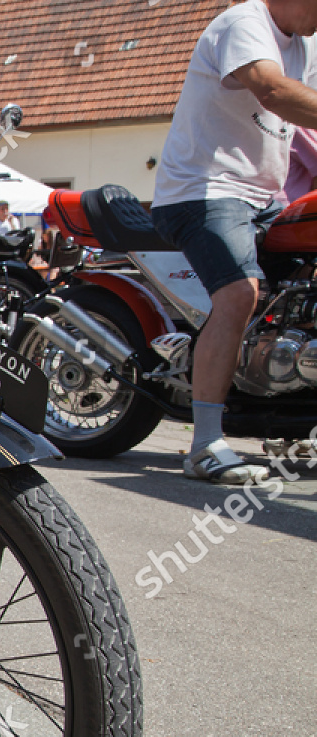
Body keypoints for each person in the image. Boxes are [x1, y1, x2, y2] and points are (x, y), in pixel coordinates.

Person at [151, 0, 317, 483]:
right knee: (239, 291)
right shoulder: (245, 23)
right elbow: (272, 90)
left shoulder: (304, 44)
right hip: (204, 191)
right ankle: (204, 446)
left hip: (265, 195)